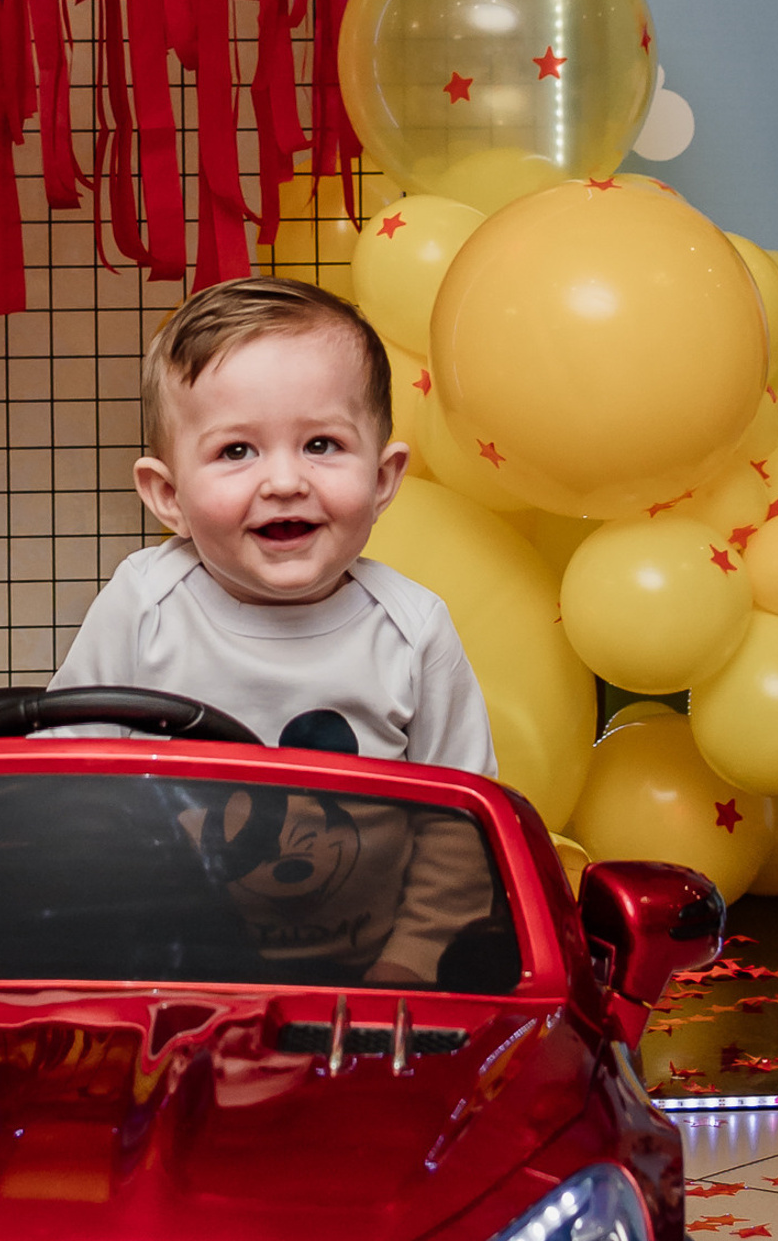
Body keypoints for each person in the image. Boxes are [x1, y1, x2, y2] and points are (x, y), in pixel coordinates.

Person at [48, 276, 496, 984]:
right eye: (236, 452)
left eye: (322, 443)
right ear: (169, 496)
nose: (285, 481)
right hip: (165, 973)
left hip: (367, 980)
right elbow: (64, 788)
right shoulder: (144, 604)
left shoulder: (412, 632)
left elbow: (462, 832)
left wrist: (409, 969)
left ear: (383, 479)